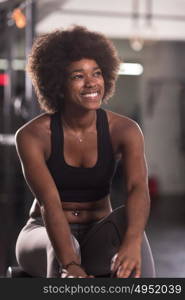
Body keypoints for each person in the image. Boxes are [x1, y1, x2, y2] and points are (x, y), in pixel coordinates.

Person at [15, 25, 155, 278]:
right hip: (42, 231)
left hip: (97, 230)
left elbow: (137, 188)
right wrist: (70, 264)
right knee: (57, 253)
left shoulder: (124, 129)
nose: (91, 83)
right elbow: (50, 204)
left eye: (97, 73)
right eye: (78, 76)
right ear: (58, 84)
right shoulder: (32, 135)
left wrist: (131, 243)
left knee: (136, 238)